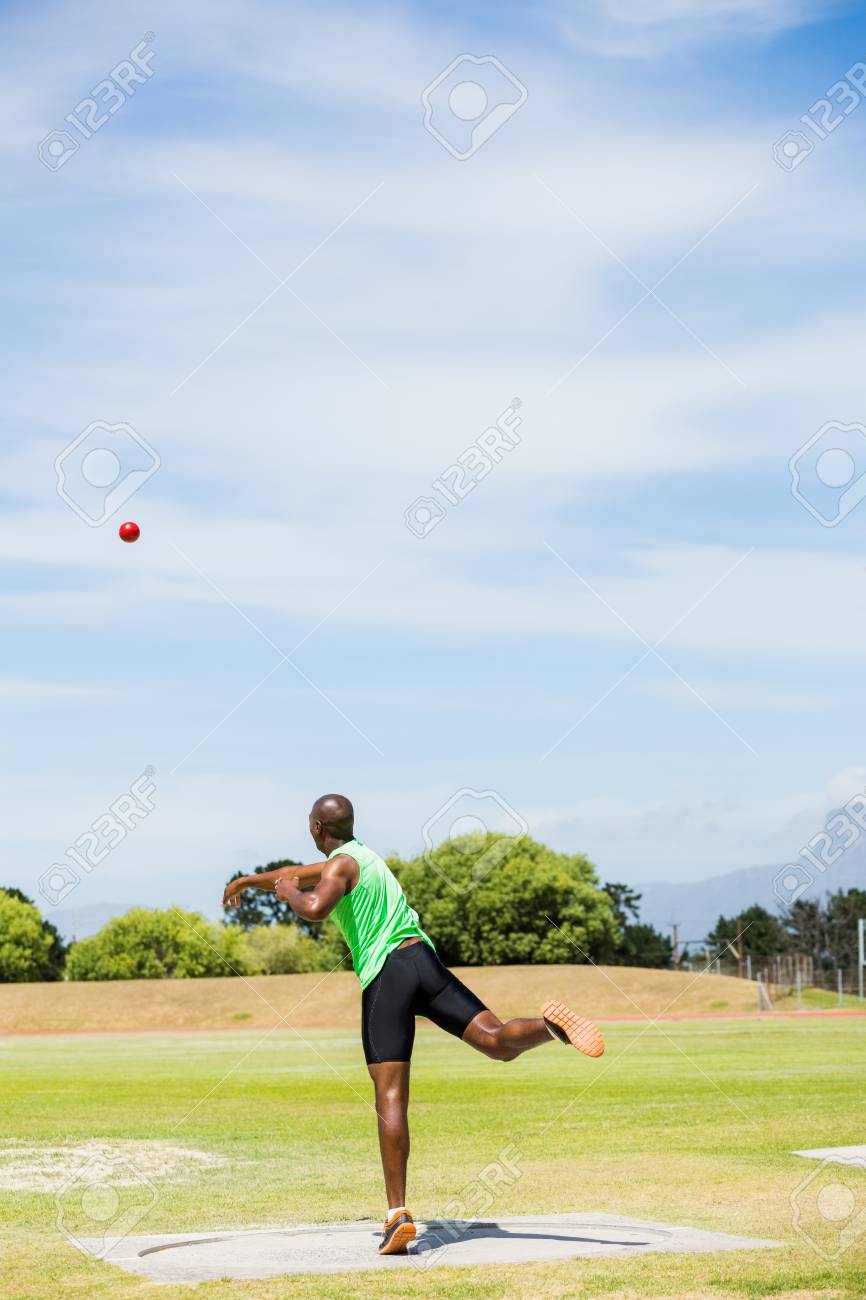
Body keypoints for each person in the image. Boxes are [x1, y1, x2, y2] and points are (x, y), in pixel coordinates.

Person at [222, 793, 604, 1256]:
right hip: (423, 961)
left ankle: (397, 1214)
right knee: (496, 1041)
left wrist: (289, 896)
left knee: (390, 1097)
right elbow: (296, 873)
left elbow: (315, 904)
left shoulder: (339, 867)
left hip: (387, 975)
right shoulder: (362, 858)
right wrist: (248, 881)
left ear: (317, 828)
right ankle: (550, 1028)